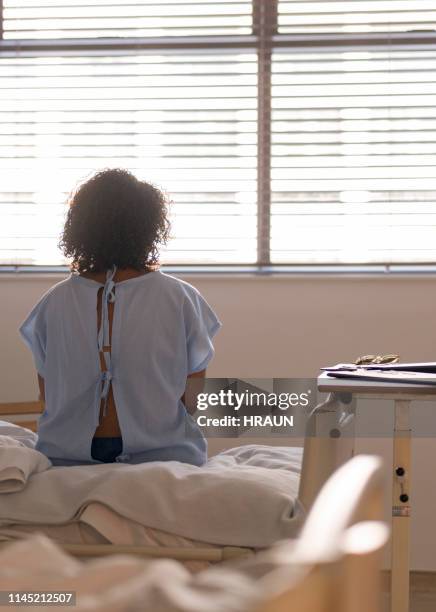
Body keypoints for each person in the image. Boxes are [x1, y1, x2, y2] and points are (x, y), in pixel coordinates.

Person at [19, 168, 221, 467]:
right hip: (162, 456)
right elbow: (191, 399)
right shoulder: (181, 298)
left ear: (81, 228)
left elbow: (47, 395)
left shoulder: (52, 302)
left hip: (67, 456)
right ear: (150, 228)